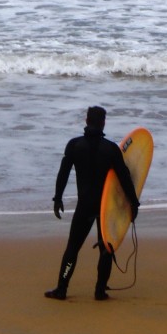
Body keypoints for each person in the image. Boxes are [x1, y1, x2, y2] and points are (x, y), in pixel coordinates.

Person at [45, 106, 140, 301]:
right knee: (106, 247)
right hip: (106, 207)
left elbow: (63, 173)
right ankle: (99, 291)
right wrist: (134, 203)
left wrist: (58, 198)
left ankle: (61, 289)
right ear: (103, 123)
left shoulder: (74, 145)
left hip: (84, 205)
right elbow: (124, 179)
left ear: (86, 120)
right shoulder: (111, 149)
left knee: (73, 247)